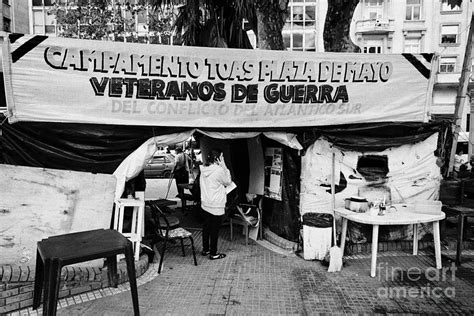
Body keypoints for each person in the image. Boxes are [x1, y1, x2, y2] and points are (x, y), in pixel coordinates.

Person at [200, 148, 232, 260]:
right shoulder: (219, 170)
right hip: (216, 205)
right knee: (215, 230)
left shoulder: (204, 169)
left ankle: (205, 249)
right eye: (222, 157)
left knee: (206, 227)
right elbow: (228, 181)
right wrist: (224, 165)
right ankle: (213, 253)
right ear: (218, 158)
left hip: (205, 203)